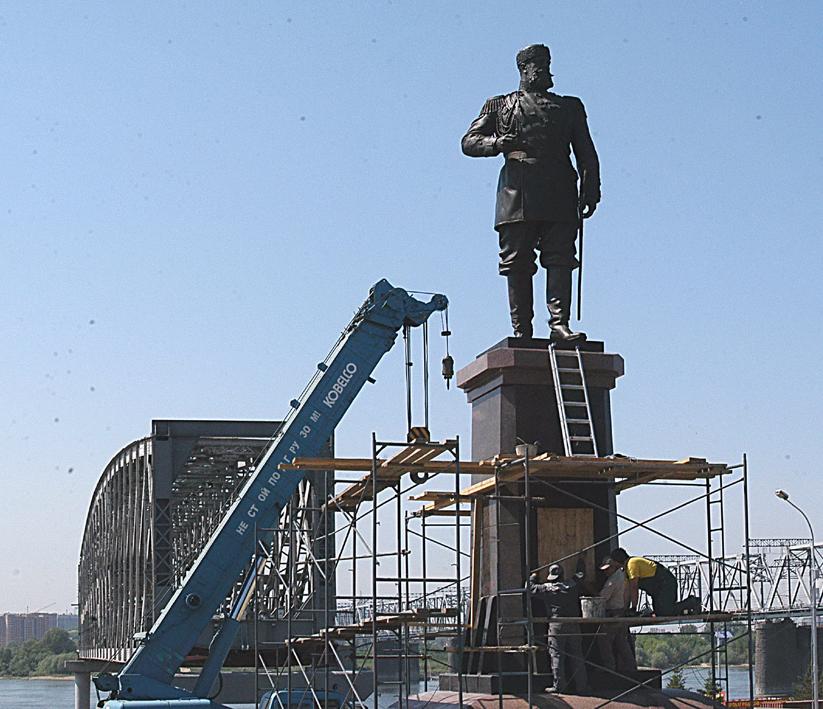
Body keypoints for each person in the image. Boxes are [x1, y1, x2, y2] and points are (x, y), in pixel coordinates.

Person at [461, 43, 601, 342]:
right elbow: (469, 141)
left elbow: (586, 152)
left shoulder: (569, 107)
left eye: (547, 65)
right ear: (523, 70)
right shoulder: (499, 105)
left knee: (561, 257)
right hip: (518, 190)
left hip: (560, 188)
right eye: (539, 66)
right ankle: (522, 330)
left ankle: (559, 325)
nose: (546, 71)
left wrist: (591, 188)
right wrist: (498, 143)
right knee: (517, 261)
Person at [529, 562, 590, 694]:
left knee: (557, 655)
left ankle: (559, 686)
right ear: (562, 575)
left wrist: (534, 576)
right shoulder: (572, 585)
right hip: (573, 623)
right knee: (577, 656)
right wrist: (581, 560)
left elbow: (530, 588)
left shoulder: (547, 588)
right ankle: (582, 687)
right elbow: (580, 575)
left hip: (557, 625)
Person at [596, 556, 637, 675]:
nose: (605, 572)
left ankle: (609, 667)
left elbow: (603, 597)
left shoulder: (613, 580)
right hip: (621, 612)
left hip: (612, 613)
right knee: (621, 642)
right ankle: (631, 667)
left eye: (607, 569)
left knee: (603, 640)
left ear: (613, 567)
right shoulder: (622, 576)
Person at [609, 548, 679, 617]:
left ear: (616, 561)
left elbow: (634, 587)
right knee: (659, 612)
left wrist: (633, 608)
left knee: (666, 611)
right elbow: (627, 590)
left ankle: (689, 603)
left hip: (666, 582)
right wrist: (625, 609)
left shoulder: (632, 564)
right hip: (658, 590)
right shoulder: (626, 570)